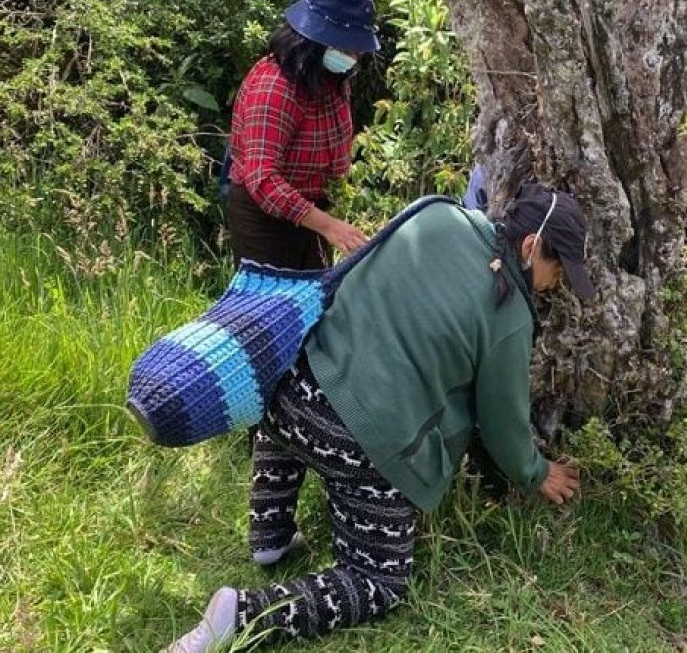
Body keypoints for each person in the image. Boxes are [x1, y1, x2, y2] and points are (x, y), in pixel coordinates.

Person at [165, 183, 595, 651]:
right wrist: (536, 473)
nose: (555, 285)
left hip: (288, 390)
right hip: (358, 443)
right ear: (531, 247)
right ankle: (241, 613)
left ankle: (270, 532)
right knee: (378, 581)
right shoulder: (510, 316)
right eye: (558, 270)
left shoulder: (433, 213)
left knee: (302, 407)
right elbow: (502, 425)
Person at [226, 0, 377, 271]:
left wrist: (327, 219)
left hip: (312, 211)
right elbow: (263, 179)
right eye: (347, 48)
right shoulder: (273, 88)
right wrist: (328, 226)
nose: (353, 57)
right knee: (270, 310)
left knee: (315, 301)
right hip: (263, 219)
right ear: (315, 41)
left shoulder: (332, 80)